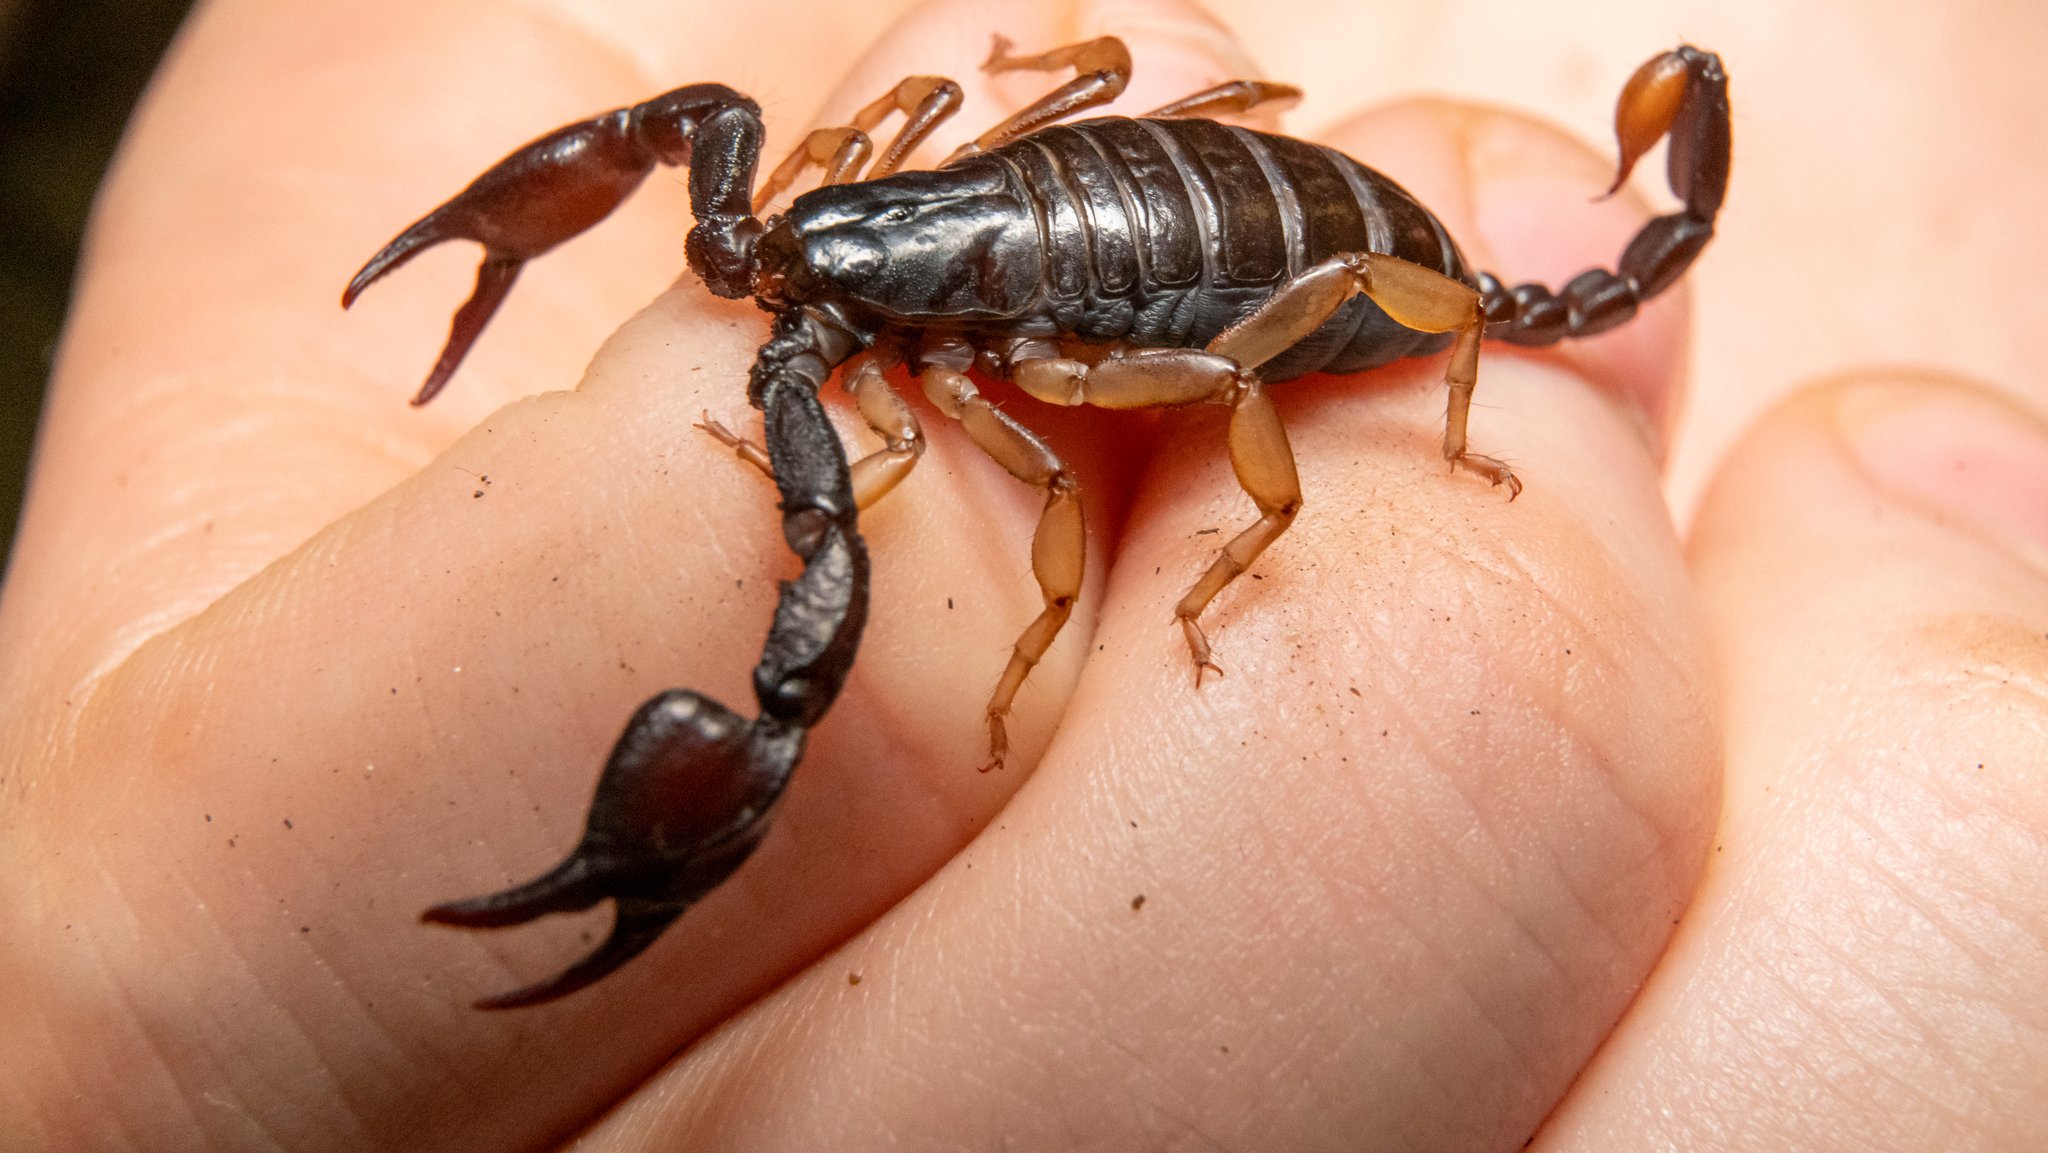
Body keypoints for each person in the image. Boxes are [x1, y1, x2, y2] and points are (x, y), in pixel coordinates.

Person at [2, 0, 2041, 1147]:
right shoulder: (846, 263)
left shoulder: (916, 373)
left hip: (1285, 251)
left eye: (781, 272)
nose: (754, 282)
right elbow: (703, 116)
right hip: (1083, 205)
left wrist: (1236, 518)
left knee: (1040, 533)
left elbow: (1045, 501)